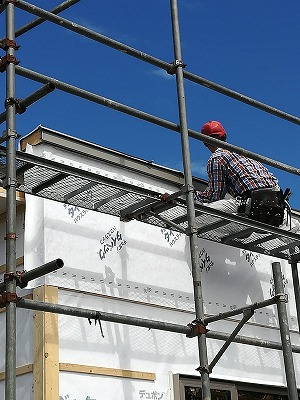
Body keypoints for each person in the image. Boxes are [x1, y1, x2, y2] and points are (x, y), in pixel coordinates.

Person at [193, 120, 299, 232]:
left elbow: (214, 196)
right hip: (277, 203)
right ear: (224, 136)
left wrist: (194, 195)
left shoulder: (217, 157)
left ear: (205, 142)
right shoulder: (244, 154)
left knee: (201, 215)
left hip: (252, 203)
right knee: (289, 231)